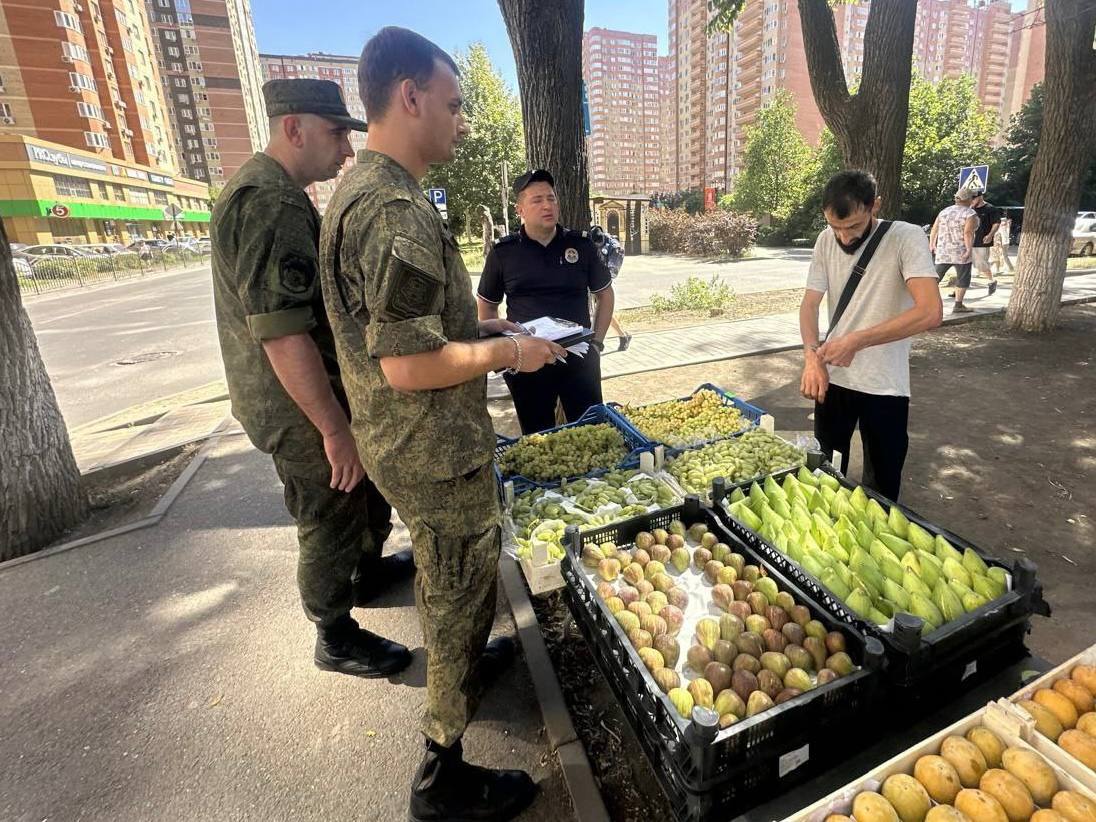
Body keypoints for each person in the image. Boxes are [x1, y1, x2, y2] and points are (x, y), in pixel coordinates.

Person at [318, 27, 564, 822]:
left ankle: (461, 670)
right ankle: (441, 770)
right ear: (409, 96)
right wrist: (509, 357)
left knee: (446, 580)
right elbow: (409, 366)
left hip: (400, 440)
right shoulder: (393, 211)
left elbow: (410, 333)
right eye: (454, 105)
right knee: (458, 589)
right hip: (430, 448)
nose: (462, 121)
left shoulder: (360, 191)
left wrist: (488, 335)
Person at [210, 78, 414, 681]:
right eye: (335, 134)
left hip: (316, 393)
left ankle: (367, 571)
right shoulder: (267, 202)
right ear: (292, 128)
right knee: (328, 507)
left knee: (360, 494)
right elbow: (281, 333)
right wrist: (331, 427)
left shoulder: (281, 193)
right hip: (298, 407)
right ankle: (334, 631)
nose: (347, 151)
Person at [799, 170, 943, 501]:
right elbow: (809, 306)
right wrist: (811, 357)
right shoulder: (825, 240)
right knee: (825, 475)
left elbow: (930, 311)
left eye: (852, 226)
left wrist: (856, 340)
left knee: (881, 484)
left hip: (884, 384)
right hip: (832, 378)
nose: (844, 237)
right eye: (835, 226)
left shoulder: (905, 238)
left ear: (874, 205)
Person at [477, 169, 616, 434]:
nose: (547, 205)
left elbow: (605, 295)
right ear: (520, 209)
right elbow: (487, 304)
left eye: (551, 199)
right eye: (537, 200)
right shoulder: (504, 253)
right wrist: (499, 351)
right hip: (525, 360)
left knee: (591, 433)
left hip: (579, 356)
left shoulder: (582, 246)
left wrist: (596, 343)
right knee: (537, 435)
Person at [929, 187, 978, 314]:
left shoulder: (944, 211)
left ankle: (927, 302)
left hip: (943, 251)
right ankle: (958, 305)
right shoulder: (970, 214)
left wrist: (932, 244)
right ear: (968, 199)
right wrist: (968, 249)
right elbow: (968, 233)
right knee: (963, 278)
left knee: (935, 278)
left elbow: (935, 228)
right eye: (972, 198)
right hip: (960, 251)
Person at [590, 225, 632, 351]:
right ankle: (623, 335)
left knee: (601, 310)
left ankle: (621, 335)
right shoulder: (589, 239)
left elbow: (612, 272)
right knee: (597, 312)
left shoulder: (615, 248)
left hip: (603, 284)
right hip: (590, 281)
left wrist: (597, 283)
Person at [970, 189, 1000, 295]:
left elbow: (996, 223)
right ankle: (959, 287)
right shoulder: (969, 209)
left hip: (981, 241)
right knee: (962, 265)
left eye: (974, 198)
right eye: (970, 198)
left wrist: (990, 235)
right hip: (967, 241)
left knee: (981, 264)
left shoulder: (990, 209)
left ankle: (992, 281)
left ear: (980, 197)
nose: (972, 200)